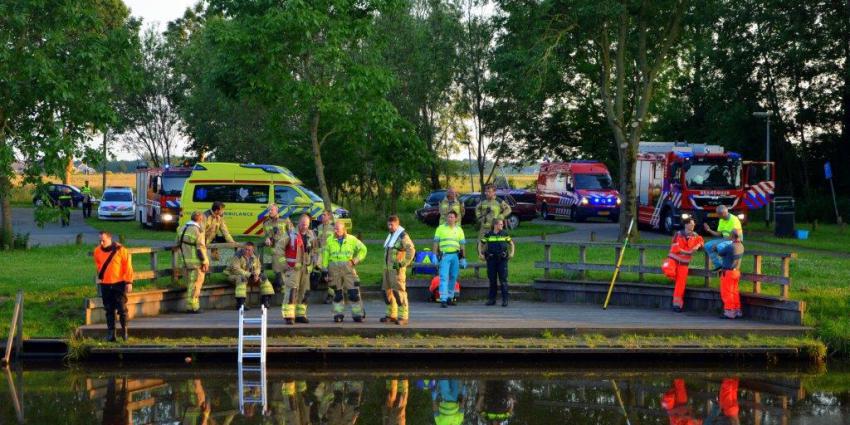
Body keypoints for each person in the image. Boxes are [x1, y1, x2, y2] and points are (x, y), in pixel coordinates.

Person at [322, 221, 368, 322]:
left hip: (348, 268)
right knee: (337, 294)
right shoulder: (329, 240)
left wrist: (355, 260)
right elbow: (325, 256)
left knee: (353, 293)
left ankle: (358, 314)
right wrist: (324, 271)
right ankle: (338, 315)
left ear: (343, 229)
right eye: (335, 229)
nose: (335, 231)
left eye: (337, 229)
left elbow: (363, 249)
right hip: (334, 270)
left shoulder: (352, 239)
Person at [276, 214, 318, 324]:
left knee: (304, 292)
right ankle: (289, 316)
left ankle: (300, 314)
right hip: (293, 268)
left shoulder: (311, 234)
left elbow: (316, 250)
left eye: (307, 225)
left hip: (306, 269)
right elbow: (279, 248)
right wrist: (284, 264)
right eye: (303, 224)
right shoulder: (290, 233)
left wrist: (315, 264)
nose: (305, 226)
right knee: (292, 291)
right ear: (298, 223)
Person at [93, 230, 134, 342]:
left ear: (110, 239)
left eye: (104, 241)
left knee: (122, 309)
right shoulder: (97, 251)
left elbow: (128, 267)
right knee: (109, 310)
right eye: (100, 240)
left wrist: (129, 282)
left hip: (119, 283)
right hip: (105, 284)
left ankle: (124, 332)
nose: (101, 243)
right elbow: (98, 265)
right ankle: (111, 334)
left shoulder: (121, 250)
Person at [663, 217, 704, 312]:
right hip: (673, 260)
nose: (693, 226)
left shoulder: (695, 235)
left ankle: (677, 305)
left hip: (684, 264)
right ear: (686, 225)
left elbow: (701, 242)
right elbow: (674, 247)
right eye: (691, 224)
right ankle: (672, 277)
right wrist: (688, 252)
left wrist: (697, 246)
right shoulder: (678, 234)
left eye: (694, 224)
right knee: (668, 270)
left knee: (680, 285)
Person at [381, 215, 416, 325]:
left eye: (392, 225)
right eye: (389, 225)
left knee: (399, 291)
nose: (390, 227)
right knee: (386, 291)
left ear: (397, 224)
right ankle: (391, 314)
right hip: (387, 268)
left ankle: (403, 316)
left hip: (396, 268)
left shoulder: (402, 236)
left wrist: (402, 264)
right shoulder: (391, 235)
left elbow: (411, 250)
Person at [226, 241, 275, 311]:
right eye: (245, 249)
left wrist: (256, 274)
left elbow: (258, 267)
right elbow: (235, 269)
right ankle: (240, 304)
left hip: (249, 276)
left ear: (253, 250)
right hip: (234, 276)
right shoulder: (238, 256)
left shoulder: (255, 257)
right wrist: (250, 275)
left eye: (249, 250)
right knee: (242, 279)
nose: (246, 251)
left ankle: (265, 301)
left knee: (263, 277)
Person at [176, 211, 209, 313]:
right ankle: (193, 307)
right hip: (196, 263)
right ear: (199, 219)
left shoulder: (182, 228)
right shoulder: (197, 231)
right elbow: (200, 248)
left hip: (184, 262)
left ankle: (192, 305)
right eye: (202, 220)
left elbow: (177, 244)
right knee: (195, 285)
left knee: (190, 284)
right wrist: (204, 261)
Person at [433, 210, 466, 308]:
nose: (450, 218)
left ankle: (450, 297)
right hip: (444, 256)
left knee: (453, 277)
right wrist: (434, 255)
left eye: (452, 217)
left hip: (455, 256)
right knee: (443, 277)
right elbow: (436, 242)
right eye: (449, 216)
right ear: (446, 218)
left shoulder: (459, 230)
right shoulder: (440, 228)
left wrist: (463, 258)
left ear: (456, 219)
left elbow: (462, 244)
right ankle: (443, 298)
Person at [479, 218, 515, 307]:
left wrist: (512, 253)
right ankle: (492, 300)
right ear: (495, 225)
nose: (502, 226)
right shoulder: (488, 235)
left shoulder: (504, 234)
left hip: (502, 260)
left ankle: (505, 300)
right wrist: (480, 254)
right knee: (492, 280)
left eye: (502, 224)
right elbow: (480, 243)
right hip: (491, 260)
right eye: (500, 224)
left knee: (503, 280)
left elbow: (511, 244)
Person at [263, 203, 293, 293]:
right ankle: (283, 289)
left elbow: (292, 233)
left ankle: (285, 289)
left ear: (277, 210)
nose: (270, 211)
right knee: (278, 271)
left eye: (271, 210)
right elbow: (266, 235)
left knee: (285, 270)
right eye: (268, 210)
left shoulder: (284, 220)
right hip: (275, 250)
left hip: (285, 249)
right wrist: (267, 239)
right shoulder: (266, 223)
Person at [703, 205, 743, 271]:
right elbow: (718, 234)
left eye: (718, 214)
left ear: (723, 213)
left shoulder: (734, 219)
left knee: (720, 246)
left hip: (735, 241)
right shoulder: (721, 220)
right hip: (726, 239)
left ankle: (727, 266)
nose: (717, 215)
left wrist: (717, 244)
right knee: (707, 245)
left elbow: (732, 237)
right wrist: (709, 230)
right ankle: (718, 265)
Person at [718, 229, 745, 319]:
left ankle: (729, 311)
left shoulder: (730, 246)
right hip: (736, 271)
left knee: (727, 292)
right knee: (735, 292)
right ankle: (737, 310)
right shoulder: (741, 246)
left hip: (728, 272)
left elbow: (720, 252)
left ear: (732, 236)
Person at [316, 210, 336, 304]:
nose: (322, 217)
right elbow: (316, 241)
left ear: (329, 217)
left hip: (330, 255)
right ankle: (319, 280)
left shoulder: (333, 228)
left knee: (330, 274)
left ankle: (331, 295)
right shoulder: (319, 227)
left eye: (324, 215)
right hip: (320, 255)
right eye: (322, 215)